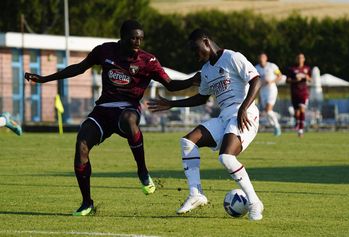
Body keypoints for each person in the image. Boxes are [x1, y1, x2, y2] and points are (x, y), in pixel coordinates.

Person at [25, 20, 199, 216]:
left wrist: (192, 80)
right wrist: (45, 79)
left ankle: (142, 171)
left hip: (128, 108)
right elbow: (79, 68)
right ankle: (86, 202)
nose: (137, 42)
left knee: (128, 120)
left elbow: (170, 85)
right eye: (133, 38)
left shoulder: (148, 61)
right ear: (122, 37)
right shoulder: (105, 51)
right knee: (81, 144)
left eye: (141, 39)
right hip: (102, 111)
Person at [148, 29, 264, 221]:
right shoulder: (206, 71)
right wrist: (172, 104)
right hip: (225, 117)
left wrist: (244, 108)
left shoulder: (232, 57)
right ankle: (196, 194)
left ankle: (254, 203)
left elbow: (256, 80)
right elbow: (201, 98)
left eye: (196, 49)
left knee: (226, 158)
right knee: (188, 142)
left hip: (245, 113)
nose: (196, 55)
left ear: (206, 41)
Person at [255, 53, 282, 136]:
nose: (261, 59)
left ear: (266, 58)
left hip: (271, 90)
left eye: (263, 57)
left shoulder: (272, 66)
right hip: (263, 91)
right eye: (260, 57)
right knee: (266, 112)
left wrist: (271, 81)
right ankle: (275, 126)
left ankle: (277, 126)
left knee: (268, 110)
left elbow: (279, 76)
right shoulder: (256, 68)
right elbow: (255, 81)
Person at [286, 53, 312, 137]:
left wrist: (307, 78)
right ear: (296, 59)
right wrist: (295, 80)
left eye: (301, 58)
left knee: (302, 109)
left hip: (303, 92)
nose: (300, 59)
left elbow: (310, 79)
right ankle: (297, 123)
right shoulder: (292, 69)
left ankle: (301, 129)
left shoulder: (307, 68)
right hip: (294, 92)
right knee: (296, 113)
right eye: (298, 58)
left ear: (304, 59)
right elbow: (287, 80)